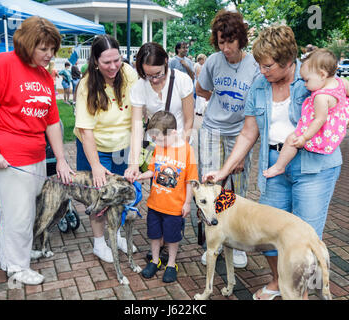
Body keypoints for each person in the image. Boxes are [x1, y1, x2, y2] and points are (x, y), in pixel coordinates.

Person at [202, 25, 349, 300]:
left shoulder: (312, 76)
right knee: (265, 230)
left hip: (314, 166)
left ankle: (299, 294)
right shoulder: (259, 85)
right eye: (259, 64)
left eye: (267, 66)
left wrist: (332, 126)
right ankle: (279, 281)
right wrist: (223, 170)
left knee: (302, 238)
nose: (262, 70)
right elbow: (248, 132)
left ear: (289, 61)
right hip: (274, 162)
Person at [0, 16, 74, 285]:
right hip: (5, 156)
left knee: (23, 209)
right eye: (43, 49)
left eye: (53, 49)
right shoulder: (1, 64)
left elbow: (51, 121)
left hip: (34, 154)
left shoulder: (44, 75)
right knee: (19, 212)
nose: (49, 55)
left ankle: (15, 255)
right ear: (27, 44)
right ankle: (16, 266)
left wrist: (60, 159)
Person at [195, 9, 260, 268]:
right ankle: (214, 242)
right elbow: (201, 88)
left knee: (237, 190)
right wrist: (220, 105)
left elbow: (254, 110)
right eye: (221, 42)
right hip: (212, 130)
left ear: (240, 39)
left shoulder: (254, 65)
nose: (225, 48)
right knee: (211, 188)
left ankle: (238, 243)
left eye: (230, 41)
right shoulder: (212, 61)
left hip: (240, 133)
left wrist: (241, 154)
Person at [74, 34, 139, 263]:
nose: (113, 67)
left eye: (117, 60)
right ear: (95, 61)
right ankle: (99, 242)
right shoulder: (86, 85)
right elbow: (85, 130)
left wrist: (134, 157)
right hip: (95, 145)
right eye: (106, 62)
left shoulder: (129, 74)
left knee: (119, 194)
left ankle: (117, 234)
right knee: (98, 195)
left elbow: (137, 118)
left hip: (122, 145)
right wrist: (96, 165)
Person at [264, 49, 349, 178]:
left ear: (322, 75)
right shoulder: (342, 83)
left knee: (291, 139)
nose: (304, 84)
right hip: (333, 131)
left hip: (318, 131)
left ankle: (279, 166)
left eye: (307, 80)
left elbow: (319, 120)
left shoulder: (321, 97)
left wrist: (304, 137)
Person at [136, 111, 198, 283]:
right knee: (154, 235)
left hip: (175, 206)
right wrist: (141, 176)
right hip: (155, 203)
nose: (157, 142)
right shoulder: (158, 147)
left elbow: (191, 180)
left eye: (160, 139)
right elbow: (152, 169)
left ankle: (171, 263)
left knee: (172, 237)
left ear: (173, 133)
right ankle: (155, 261)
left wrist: (186, 203)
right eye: (154, 139)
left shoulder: (187, 150)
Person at [124, 42, 194, 184]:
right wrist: (134, 164)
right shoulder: (139, 87)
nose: (154, 80)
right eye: (148, 75)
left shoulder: (182, 80)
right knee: (159, 189)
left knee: (178, 191)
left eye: (158, 74)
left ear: (166, 61)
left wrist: (180, 151)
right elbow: (137, 128)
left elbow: (189, 121)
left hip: (179, 144)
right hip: (156, 149)